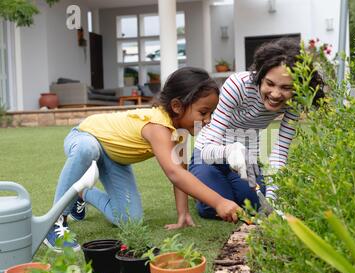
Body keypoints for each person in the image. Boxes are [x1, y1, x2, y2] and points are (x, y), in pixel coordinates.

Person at [44, 67, 241, 251]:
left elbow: (181, 168)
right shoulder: (157, 126)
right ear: (177, 106)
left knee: (131, 219)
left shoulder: (179, 131)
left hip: (115, 157)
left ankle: (82, 193)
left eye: (211, 113)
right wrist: (218, 202)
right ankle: (54, 222)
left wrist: (183, 213)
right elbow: (174, 174)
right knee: (87, 149)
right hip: (87, 136)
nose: (208, 120)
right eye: (203, 112)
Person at [189, 38, 324, 219]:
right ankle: (198, 183)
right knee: (213, 208)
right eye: (270, 84)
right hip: (209, 152)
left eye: (286, 87)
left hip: (246, 158)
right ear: (260, 76)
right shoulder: (237, 86)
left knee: (253, 204)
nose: (276, 94)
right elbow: (207, 149)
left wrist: (271, 201)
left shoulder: (295, 102)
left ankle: (211, 185)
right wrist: (231, 151)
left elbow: (279, 153)